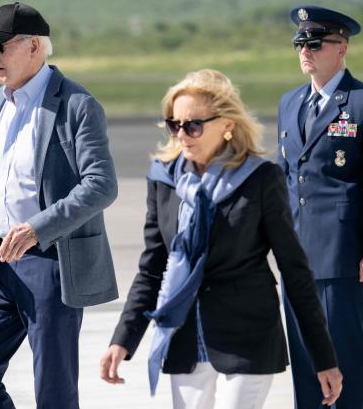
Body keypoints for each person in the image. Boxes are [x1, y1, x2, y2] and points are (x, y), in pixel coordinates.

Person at [100, 69, 342, 408]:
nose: (183, 134)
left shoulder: (260, 179)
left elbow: (295, 269)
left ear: (227, 125)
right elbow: (153, 268)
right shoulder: (164, 181)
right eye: (174, 125)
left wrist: (323, 357)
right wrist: (123, 339)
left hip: (248, 336)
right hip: (184, 336)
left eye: (193, 125)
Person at [0, 2, 118, 409]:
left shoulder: (78, 104)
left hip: (51, 262)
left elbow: (101, 185)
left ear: (34, 47)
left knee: (53, 390)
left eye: (0, 46)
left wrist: (37, 228)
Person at [278, 5, 363, 409]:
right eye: (300, 42)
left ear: (341, 48)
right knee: (306, 366)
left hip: (342, 256)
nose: (304, 50)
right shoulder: (288, 103)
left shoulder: (360, 103)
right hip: (296, 257)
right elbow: (283, 181)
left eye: (314, 43)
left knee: (345, 366)